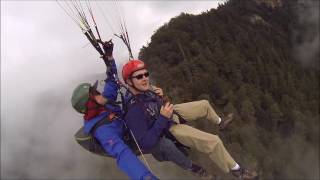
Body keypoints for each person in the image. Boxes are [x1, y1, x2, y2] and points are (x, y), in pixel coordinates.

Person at [122, 59, 259, 180]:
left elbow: (155, 105)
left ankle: (220, 122)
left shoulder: (145, 90)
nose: (145, 78)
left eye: (146, 74)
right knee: (213, 141)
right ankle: (237, 171)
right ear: (129, 81)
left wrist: (160, 96)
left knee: (204, 105)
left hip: (168, 114)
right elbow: (145, 143)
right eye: (139, 76)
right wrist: (163, 118)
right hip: (167, 128)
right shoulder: (133, 111)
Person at [71, 42, 158, 180]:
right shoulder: (102, 130)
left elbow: (112, 80)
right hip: (137, 140)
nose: (99, 92)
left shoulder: (104, 104)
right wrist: (145, 177)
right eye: (95, 93)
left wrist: (109, 58)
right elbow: (122, 154)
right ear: (90, 104)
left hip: (136, 125)